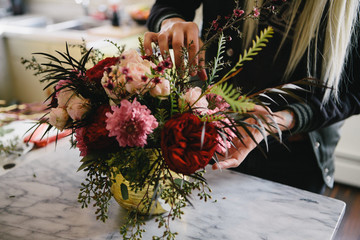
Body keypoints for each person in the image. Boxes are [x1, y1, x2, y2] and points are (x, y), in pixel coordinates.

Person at [144, 0, 360, 193]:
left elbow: (353, 91)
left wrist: (281, 120)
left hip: (296, 154)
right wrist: (170, 22)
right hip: (216, 136)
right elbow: (169, 5)